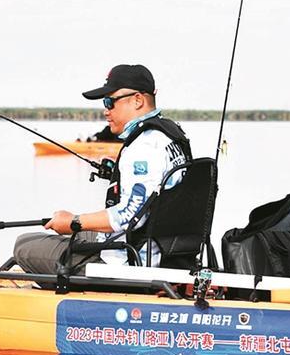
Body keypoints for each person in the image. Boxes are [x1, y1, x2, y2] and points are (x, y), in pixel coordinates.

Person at [14, 64, 192, 275]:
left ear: (137, 100)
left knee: (24, 246)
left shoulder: (143, 147)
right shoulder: (172, 135)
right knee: (44, 240)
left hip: (130, 261)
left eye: (110, 101)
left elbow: (129, 215)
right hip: (162, 250)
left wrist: (74, 221)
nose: (106, 110)